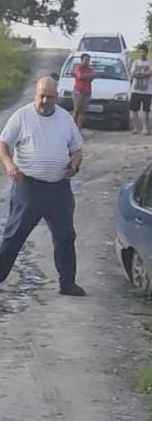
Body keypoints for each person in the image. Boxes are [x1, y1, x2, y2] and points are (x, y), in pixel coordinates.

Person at [0, 77, 86, 297]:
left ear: (57, 97)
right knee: (14, 236)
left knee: (66, 236)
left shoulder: (65, 119)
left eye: (50, 96)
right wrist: (9, 165)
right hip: (28, 187)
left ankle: (68, 284)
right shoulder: (22, 116)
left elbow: (77, 149)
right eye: (42, 96)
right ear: (35, 95)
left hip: (59, 189)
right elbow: (3, 144)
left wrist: (75, 165)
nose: (45, 100)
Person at [130, 44, 152, 135]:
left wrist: (140, 74)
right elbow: (132, 73)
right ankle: (136, 128)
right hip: (135, 89)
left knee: (146, 110)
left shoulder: (151, 62)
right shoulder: (135, 62)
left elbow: (151, 72)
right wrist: (142, 74)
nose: (142, 54)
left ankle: (145, 128)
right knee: (134, 109)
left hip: (147, 90)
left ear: (146, 52)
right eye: (140, 52)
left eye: (143, 52)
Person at [72, 53, 96, 130]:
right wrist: (88, 75)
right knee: (76, 110)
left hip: (87, 92)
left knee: (83, 112)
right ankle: (72, 128)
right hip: (78, 91)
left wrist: (86, 75)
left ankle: (79, 129)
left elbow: (93, 76)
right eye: (86, 60)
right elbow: (80, 76)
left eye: (88, 60)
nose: (87, 61)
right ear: (81, 60)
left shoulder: (90, 69)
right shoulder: (78, 68)